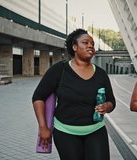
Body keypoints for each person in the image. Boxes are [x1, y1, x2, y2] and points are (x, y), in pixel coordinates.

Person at [32, 28, 116, 160]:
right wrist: (43, 127)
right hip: (65, 132)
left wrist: (107, 106)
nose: (90, 46)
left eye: (92, 44)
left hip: (96, 131)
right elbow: (38, 97)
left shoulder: (101, 74)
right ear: (75, 47)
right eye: (85, 42)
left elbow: (112, 101)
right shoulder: (59, 69)